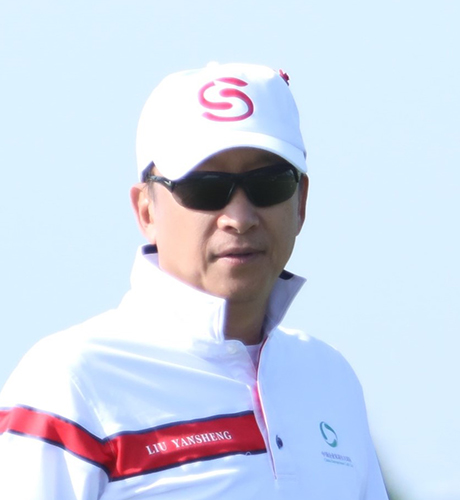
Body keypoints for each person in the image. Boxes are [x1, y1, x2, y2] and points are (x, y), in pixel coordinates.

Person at [0, 62, 389, 499]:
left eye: (268, 183)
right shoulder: (69, 381)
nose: (239, 218)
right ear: (146, 211)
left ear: (301, 202)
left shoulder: (329, 378)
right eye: (205, 187)